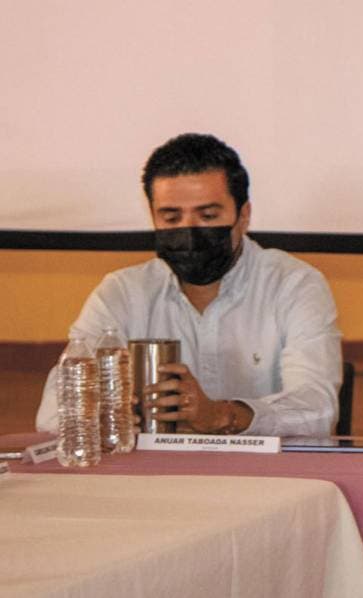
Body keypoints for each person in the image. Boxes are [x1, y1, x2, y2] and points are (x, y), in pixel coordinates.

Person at [37, 133, 342, 436]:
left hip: (266, 468)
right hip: (155, 467)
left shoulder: (294, 285)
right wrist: (103, 419)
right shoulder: (121, 293)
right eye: (171, 218)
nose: (189, 232)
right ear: (153, 217)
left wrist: (224, 415)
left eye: (208, 216)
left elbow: (318, 409)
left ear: (244, 215)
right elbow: (54, 411)